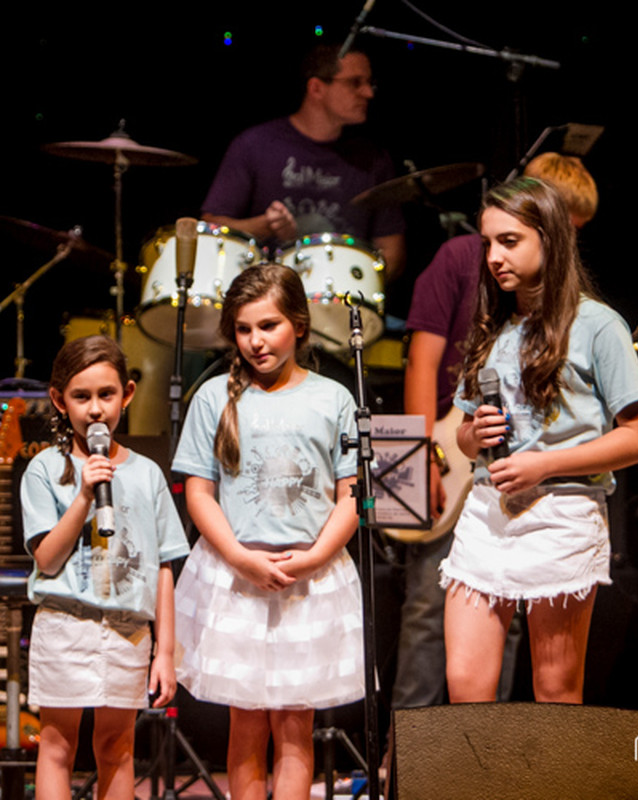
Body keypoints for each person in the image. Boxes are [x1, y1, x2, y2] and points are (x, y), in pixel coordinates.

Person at [392, 154, 600, 713]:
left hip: (522, 487)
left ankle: (499, 756)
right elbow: (420, 362)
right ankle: (403, 755)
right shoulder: (463, 260)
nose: (497, 256)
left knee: (510, 634)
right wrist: (425, 457)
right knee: (424, 609)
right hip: (444, 454)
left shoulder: (583, 321)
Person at [442, 177, 638, 704]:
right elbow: (465, 438)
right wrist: (474, 435)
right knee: (466, 683)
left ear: (550, 239)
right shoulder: (494, 325)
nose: (493, 256)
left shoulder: (598, 325)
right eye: (487, 243)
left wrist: (545, 465)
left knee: (555, 689)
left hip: (563, 513)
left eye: (509, 241)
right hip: (488, 513)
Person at [173, 264, 362, 800]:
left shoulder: (334, 399)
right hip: (238, 578)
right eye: (243, 329)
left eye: (269, 325)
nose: (256, 341)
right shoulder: (214, 397)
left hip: (310, 577)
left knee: (295, 726)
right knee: (247, 723)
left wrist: (314, 557)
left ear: (299, 325)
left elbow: (351, 495)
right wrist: (239, 558)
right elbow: (199, 491)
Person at [22, 335, 189, 800]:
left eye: (106, 395)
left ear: (127, 395)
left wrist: (166, 652)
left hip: (128, 631)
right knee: (57, 743)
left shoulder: (147, 474)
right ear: (59, 400)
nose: (95, 409)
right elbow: (47, 557)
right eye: (81, 397)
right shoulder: (44, 469)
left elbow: (162, 567)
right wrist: (82, 495)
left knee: (117, 745)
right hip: (65, 625)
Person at [201, 43, 406, 280]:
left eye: (370, 83)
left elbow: (392, 252)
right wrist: (263, 225)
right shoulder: (255, 145)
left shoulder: (373, 159)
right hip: (267, 295)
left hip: (344, 301)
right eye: (355, 82)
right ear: (317, 88)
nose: (368, 93)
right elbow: (210, 228)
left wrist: (362, 288)